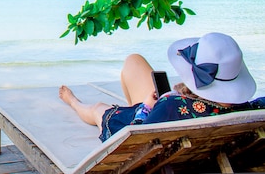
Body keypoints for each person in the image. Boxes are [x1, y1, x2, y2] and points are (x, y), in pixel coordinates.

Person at [59, 32, 263, 142]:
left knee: (98, 110)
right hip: (190, 129)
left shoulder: (171, 104)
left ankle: (73, 102)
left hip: (149, 126)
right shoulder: (256, 109)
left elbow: (136, 137)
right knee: (134, 60)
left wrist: (146, 107)